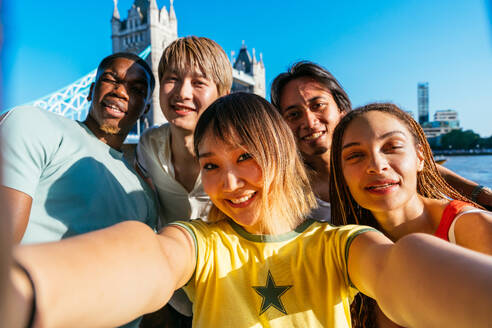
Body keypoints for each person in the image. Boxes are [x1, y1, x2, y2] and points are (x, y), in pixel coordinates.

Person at [11, 93, 492, 328]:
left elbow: (399, 268)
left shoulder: (337, 244)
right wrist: (25, 290)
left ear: (281, 155)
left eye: (246, 157)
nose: (230, 183)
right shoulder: (198, 242)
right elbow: (149, 262)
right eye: (211, 165)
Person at [0, 52, 157, 327]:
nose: (121, 91)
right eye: (110, 80)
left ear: (145, 109)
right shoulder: (35, 125)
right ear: (90, 90)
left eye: (136, 90)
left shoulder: (145, 197)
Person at [328, 102, 492, 328]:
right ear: (341, 174)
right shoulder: (342, 245)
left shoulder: (475, 227)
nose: (377, 165)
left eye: (392, 147)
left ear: (420, 158)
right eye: (356, 155)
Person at [270, 61, 492, 222]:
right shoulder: (284, 186)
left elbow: (424, 170)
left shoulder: (377, 164)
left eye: (318, 105)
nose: (309, 121)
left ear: (341, 109)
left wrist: (481, 195)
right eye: (293, 115)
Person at [134, 36, 232, 326]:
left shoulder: (244, 155)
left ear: (223, 94)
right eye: (172, 79)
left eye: (199, 83)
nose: (182, 93)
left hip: (232, 293)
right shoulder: (148, 145)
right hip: (171, 297)